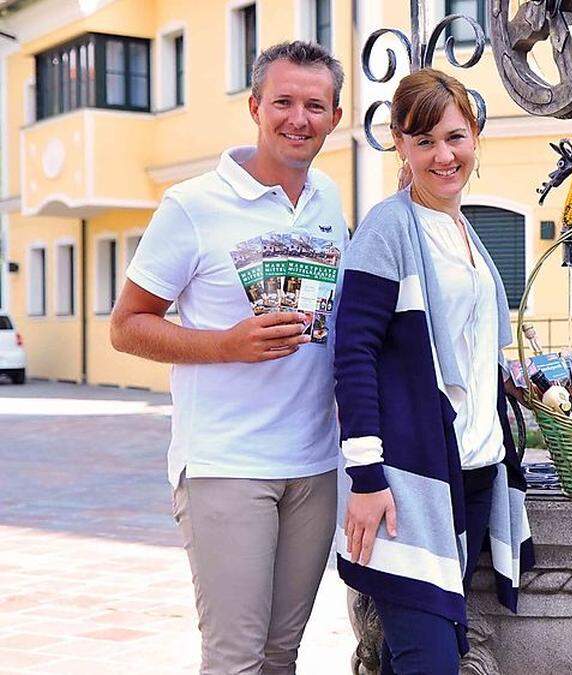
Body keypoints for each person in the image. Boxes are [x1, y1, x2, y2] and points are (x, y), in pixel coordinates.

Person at [109, 41, 347, 674]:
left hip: (316, 466)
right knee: (235, 659)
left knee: (280, 656)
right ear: (254, 107)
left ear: (335, 116)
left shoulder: (328, 200)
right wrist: (224, 345)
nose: (299, 119)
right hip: (226, 466)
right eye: (284, 102)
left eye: (315, 106)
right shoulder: (191, 206)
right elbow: (127, 326)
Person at [333, 69, 534, 675]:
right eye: (424, 142)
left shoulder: (464, 231)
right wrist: (366, 477)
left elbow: (475, 352)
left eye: (455, 137)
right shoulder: (389, 229)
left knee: (408, 660)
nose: (444, 156)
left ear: (474, 135)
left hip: (471, 473)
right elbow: (353, 354)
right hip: (407, 482)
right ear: (400, 144)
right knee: (431, 661)